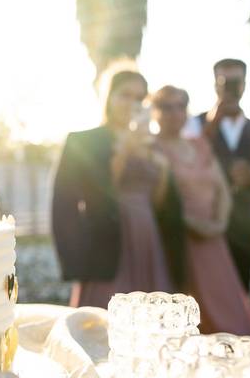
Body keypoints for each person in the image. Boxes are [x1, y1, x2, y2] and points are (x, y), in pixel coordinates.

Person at [52, 68, 185, 309]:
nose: (132, 103)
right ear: (109, 97)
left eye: (140, 98)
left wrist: (163, 170)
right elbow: (68, 202)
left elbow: (161, 204)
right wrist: (124, 151)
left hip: (148, 239)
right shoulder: (83, 142)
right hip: (107, 243)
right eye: (125, 95)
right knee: (102, 322)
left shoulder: (154, 145)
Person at [153, 86, 250, 335]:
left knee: (225, 301)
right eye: (166, 107)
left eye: (180, 106)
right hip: (179, 236)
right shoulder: (152, 147)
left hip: (213, 236)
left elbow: (221, 187)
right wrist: (192, 223)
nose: (174, 113)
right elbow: (156, 201)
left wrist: (218, 224)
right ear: (155, 111)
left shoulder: (198, 143)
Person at [187, 59, 250, 291]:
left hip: (243, 223)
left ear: (244, 85)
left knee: (241, 289)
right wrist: (213, 122)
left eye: (235, 82)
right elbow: (185, 162)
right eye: (224, 82)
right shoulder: (194, 124)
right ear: (214, 85)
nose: (229, 87)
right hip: (203, 223)